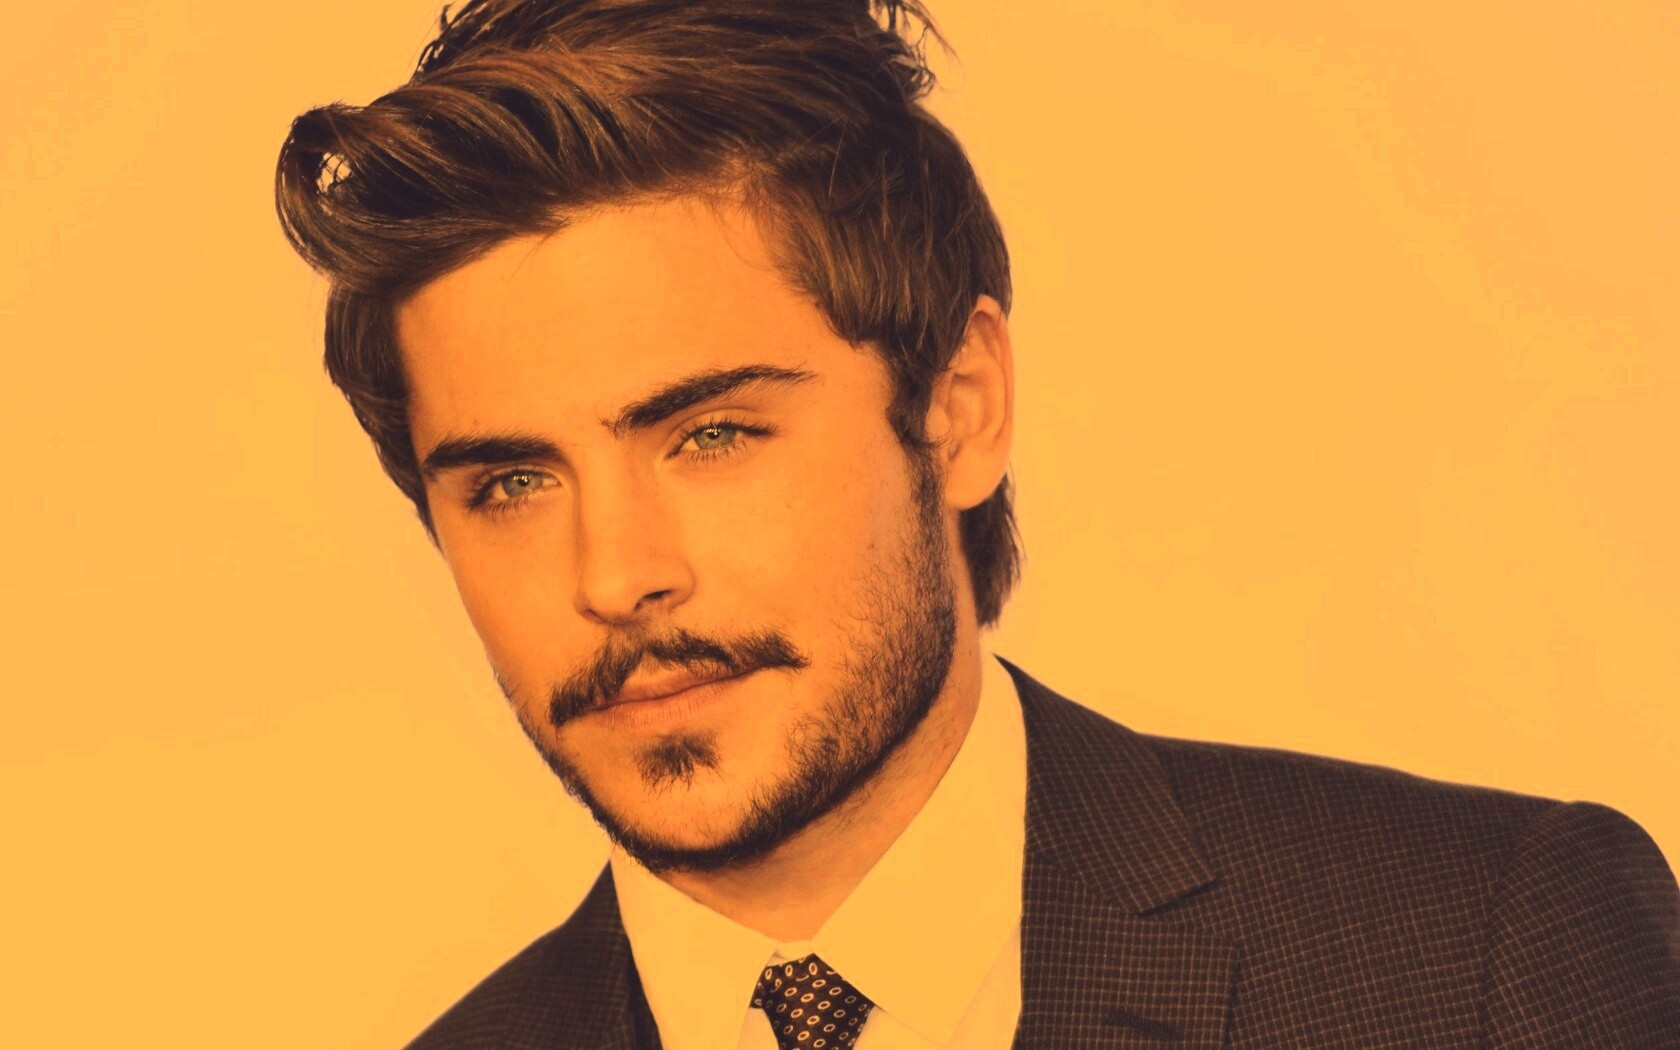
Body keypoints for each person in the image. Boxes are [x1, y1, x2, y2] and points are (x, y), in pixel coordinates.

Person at [273, 1, 1680, 1045]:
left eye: (712, 435)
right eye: (510, 485)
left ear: (958, 410)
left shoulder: (1484, 957)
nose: (618, 573)